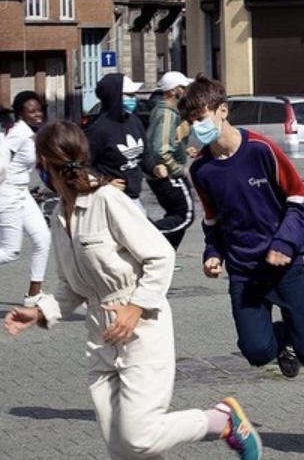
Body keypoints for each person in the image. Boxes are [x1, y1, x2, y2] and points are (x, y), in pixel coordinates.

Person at [4, 121, 262, 459]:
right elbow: (73, 285)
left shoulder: (107, 200)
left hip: (141, 330)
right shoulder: (58, 216)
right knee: (123, 449)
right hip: (100, 337)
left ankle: (222, 420)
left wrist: (135, 307)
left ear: (47, 164)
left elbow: (160, 255)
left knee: (140, 437)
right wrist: (39, 311)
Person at [178, 75, 304, 448]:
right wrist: (212, 254)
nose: (197, 126)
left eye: (202, 117)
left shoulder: (261, 150)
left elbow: (301, 206)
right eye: (192, 120)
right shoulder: (201, 170)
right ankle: (284, 341)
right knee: (256, 351)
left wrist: (283, 243)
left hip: (284, 267)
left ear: (223, 111)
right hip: (244, 273)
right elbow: (213, 223)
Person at [0, 91, 51, 305]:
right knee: (10, 251)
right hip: (7, 192)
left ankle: (33, 294)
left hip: (23, 192)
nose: (37, 114)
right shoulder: (18, 134)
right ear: (21, 113)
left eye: (38, 109)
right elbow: (1, 162)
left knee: (43, 239)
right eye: (31, 111)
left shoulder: (33, 132)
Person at [85, 73, 157, 210]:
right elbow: (83, 165)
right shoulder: (99, 130)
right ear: (114, 96)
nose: (133, 99)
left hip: (134, 198)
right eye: (128, 95)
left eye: (133, 95)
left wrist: (154, 169)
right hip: (111, 201)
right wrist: (104, 182)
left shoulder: (134, 121)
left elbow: (144, 156)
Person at [145, 71, 196, 252]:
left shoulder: (168, 112)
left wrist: (184, 149)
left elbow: (167, 140)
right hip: (167, 174)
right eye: (184, 87)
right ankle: (148, 236)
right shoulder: (166, 113)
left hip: (163, 172)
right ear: (174, 90)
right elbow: (161, 149)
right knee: (186, 215)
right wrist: (178, 169)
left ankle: (167, 253)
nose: (187, 91)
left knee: (178, 214)